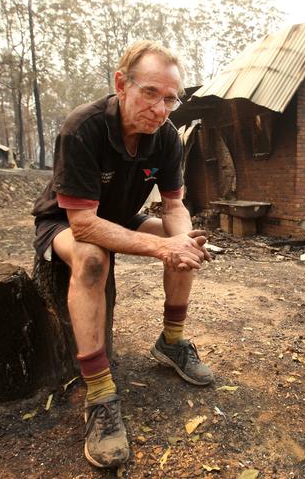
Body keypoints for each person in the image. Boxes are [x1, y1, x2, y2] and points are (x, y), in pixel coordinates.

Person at [32, 41, 213, 469]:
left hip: (119, 216)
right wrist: (163, 246)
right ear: (121, 83)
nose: (161, 108)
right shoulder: (83, 127)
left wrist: (179, 243)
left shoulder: (167, 137)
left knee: (189, 239)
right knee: (94, 257)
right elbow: (84, 225)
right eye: (150, 92)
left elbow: (173, 206)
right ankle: (99, 395)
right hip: (64, 222)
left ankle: (171, 342)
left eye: (170, 98)